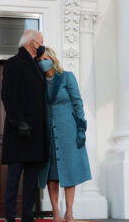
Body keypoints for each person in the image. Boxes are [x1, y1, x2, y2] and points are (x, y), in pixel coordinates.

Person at [37, 47, 92, 222]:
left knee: (70, 171)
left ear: (52, 58)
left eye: (44, 58)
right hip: (48, 132)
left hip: (68, 130)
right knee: (51, 174)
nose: (42, 62)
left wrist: (81, 128)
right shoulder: (39, 82)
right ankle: (55, 212)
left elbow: (77, 102)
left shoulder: (67, 77)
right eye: (39, 61)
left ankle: (69, 212)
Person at [1, 29, 49, 222]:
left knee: (31, 180)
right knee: (13, 179)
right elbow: (8, 95)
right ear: (32, 43)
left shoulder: (38, 66)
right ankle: (10, 217)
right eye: (42, 41)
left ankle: (28, 216)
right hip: (19, 132)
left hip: (36, 133)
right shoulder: (14, 62)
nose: (43, 44)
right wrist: (19, 121)